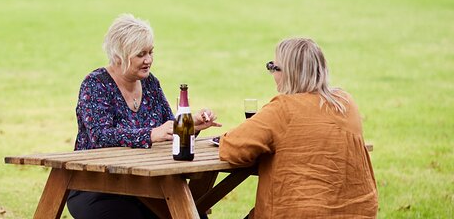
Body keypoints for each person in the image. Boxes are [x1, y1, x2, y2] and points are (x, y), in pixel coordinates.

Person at [67, 13, 220, 219]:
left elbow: (168, 127)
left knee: (191, 214)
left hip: (146, 186)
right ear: (120, 55)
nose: (148, 60)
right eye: (141, 54)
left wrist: (192, 126)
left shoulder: (150, 83)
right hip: (96, 186)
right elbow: (100, 136)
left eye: (150, 52)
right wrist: (149, 134)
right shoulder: (96, 84)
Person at [219, 38, 378, 219]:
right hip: (357, 211)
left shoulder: (283, 108)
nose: (272, 73)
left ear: (290, 73)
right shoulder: (346, 102)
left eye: (273, 67)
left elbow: (231, 148)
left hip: (295, 212)